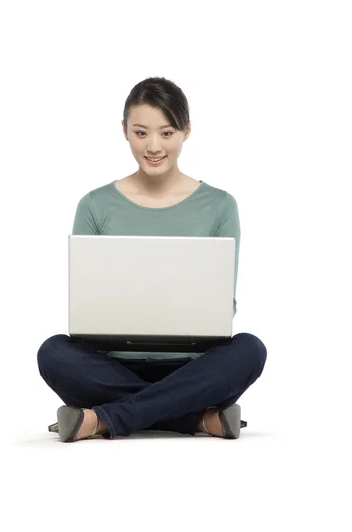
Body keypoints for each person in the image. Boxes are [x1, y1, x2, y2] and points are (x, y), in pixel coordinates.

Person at [37, 76, 267, 442]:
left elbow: (225, 304)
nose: (154, 146)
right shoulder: (94, 205)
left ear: (186, 132)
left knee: (250, 349)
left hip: (193, 367)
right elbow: (86, 303)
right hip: (111, 364)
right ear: (125, 131)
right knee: (53, 353)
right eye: (141, 133)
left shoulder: (221, 205)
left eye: (167, 132)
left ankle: (100, 419)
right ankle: (194, 419)